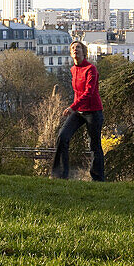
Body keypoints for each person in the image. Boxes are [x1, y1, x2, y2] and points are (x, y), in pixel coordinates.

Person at [52, 41, 104, 181]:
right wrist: (75, 108)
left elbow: (88, 93)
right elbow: (77, 92)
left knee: (94, 145)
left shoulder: (91, 69)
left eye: (78, 47)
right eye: (73, 48)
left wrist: (72, 107)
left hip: (93, 111)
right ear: (71, 53)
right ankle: (60, 175)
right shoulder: (73, 69)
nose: (75, 50)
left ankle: (98, 179)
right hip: (79, 111)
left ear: (84, 52)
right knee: (62, 137)